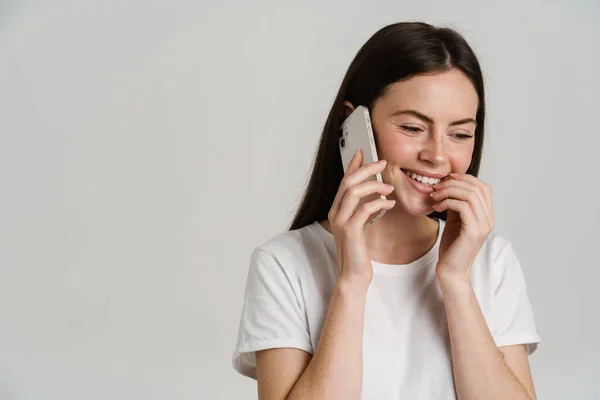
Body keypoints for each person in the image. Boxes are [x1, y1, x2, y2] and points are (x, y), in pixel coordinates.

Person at [232, 21, 541, 399]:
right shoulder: (283, 264)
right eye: (412, 127)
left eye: (460, 134)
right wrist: (351, 281)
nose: (438, 155)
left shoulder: (493, 261)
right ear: (353, 123)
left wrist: (457, 282)